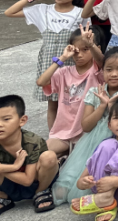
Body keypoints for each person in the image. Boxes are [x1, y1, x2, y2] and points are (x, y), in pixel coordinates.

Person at [52, 46, 118, 206]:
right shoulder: (95, 92)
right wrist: (102, 105)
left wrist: (113, 106)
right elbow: (86, 126)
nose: (114, 74)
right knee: (63, 190)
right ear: (102, 70)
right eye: (109, 69)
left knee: (104, 180)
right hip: (92, 141)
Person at [4, 0, 86, 129]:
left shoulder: (81, 14)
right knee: (52, 104)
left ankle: (71, 134)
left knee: (71, 103)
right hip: (49, 65)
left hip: (71, 65)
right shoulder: (42, 10)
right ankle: (53, 136)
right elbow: (9, 12)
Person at [37, 25, 103, 156]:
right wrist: (62, 58)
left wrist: (91, 45)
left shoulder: (97, 71)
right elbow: (41, 82)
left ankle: (64, 157)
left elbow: (101, 60)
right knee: (42, 154)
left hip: (87, 133)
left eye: (85, 49)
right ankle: (62, 157)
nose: (80, 55)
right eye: (76, 51)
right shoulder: (64, 72)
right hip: (63, 134)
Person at [0, 94, 59, 214]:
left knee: (49, 157)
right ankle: (3, 197)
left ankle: (41, 192)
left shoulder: (32, 141)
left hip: (35, 182)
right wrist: (14, 167)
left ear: (22, 120)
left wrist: (3, 169)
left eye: (6, 119)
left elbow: (28, 180)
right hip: (7, 183)